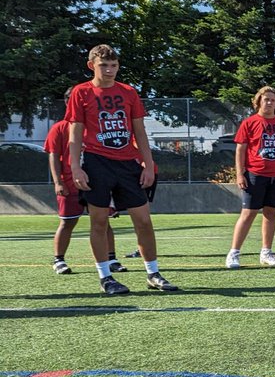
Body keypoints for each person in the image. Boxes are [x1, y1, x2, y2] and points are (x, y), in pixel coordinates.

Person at [67, 44, 179, 294]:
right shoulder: (80, 93)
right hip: (96, 163)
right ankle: (106, 277)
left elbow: (140, 131)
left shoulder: (129, 92)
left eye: (114, 66)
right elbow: (74, 134)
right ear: (91, 66)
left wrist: (148, 165)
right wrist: (76, 167)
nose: (109, 70)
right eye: (103, 65)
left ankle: (153, 273)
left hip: (128, 163)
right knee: (99, 222)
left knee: (144, 220)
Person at [45, 89, 124, 275]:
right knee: (67, 222)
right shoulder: (60, 127)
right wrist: (58, 181)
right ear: (67, 103)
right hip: (70, 183)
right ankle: (59, 259)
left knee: (103, 221)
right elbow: (53, 156)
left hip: (97, 182)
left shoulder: (97, 125)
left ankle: (111, 258)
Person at [225, 86, 275, 268]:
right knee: (248, 213)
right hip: (255, 175)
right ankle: (234, 253)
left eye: (272, 100)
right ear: (258, 101)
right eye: (265, 99)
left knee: (271, 213)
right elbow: (240, 150)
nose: (269, 103)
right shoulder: (249, 123)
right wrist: (240, 174)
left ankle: (266, 252)